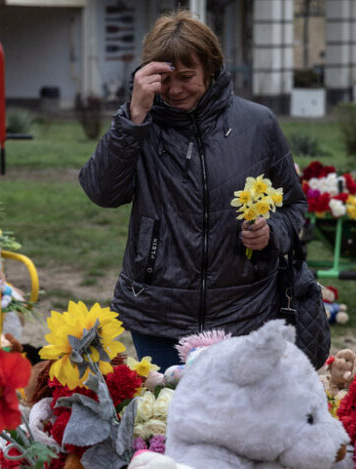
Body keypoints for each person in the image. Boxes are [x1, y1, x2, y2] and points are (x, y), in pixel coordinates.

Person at [79, 10, 307, 368]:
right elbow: (102, 192)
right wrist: (133, 117)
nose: (174, 90)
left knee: (238, 421)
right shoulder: (141, 125)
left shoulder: (258, 123)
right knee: (171, 420)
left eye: (186, 77)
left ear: (211, 68)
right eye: (164, 79)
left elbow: (294, 206)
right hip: (159, 314)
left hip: (244, 313)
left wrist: (270, 233)